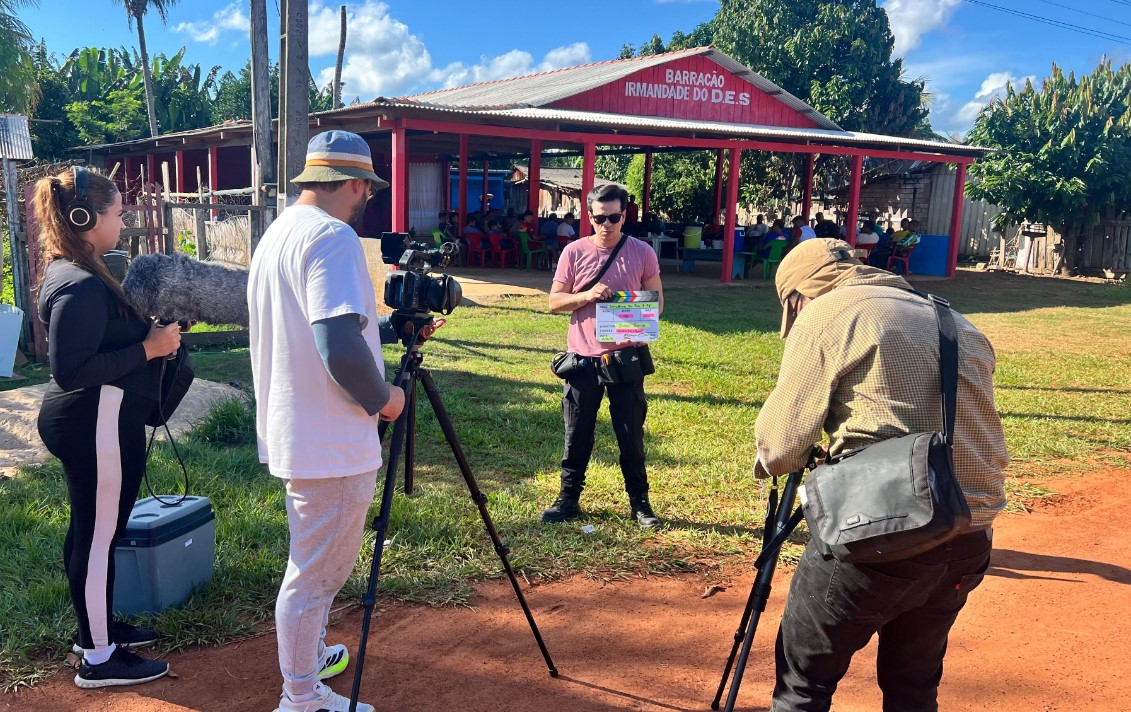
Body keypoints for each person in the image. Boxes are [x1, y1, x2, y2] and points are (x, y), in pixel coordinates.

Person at [755, 238, 1008, 712]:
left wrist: (782, 460)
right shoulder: (955, 319)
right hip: (969, 536)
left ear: (798, 298)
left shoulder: (825, 314)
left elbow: (782, 447)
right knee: (914, 688)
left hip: (882, 537)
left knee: (802, 687)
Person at [248, 130, 407, 712]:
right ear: (356, 185)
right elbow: (337, 346)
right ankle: (300, 697)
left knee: (311, 567)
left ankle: (309, 659)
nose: (367, 198)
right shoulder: (333, 236)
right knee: (315, 575)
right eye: (369, 188)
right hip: (332, 437)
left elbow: (317, 327)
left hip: (299, 427)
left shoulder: (279, 233)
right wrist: (385, 399)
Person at [34, 167, 180, 689]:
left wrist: (150, 337)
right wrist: (149, 349)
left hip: (99, 416)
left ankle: (96, 630)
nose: (123, 222)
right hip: (92, 418)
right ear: (85, 217)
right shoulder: (78, 284)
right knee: (97, 538)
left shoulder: (78, 270)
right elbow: (70, 370)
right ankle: (98, 658)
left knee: (94, 532)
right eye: (117, 213)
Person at [542, 184, 665, 529]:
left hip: (625, 359)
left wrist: (635, 316)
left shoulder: (642, 252)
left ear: (624, 216)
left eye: (613, 217)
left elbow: (658, 303)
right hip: (583, 360)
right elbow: (554, 302)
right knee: (576, 434)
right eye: (599, 218)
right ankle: (568, 499)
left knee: (631, 435)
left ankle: (640, 503)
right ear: (589, 217)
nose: (606, 225)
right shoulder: (574, 252)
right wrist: (587, 296)